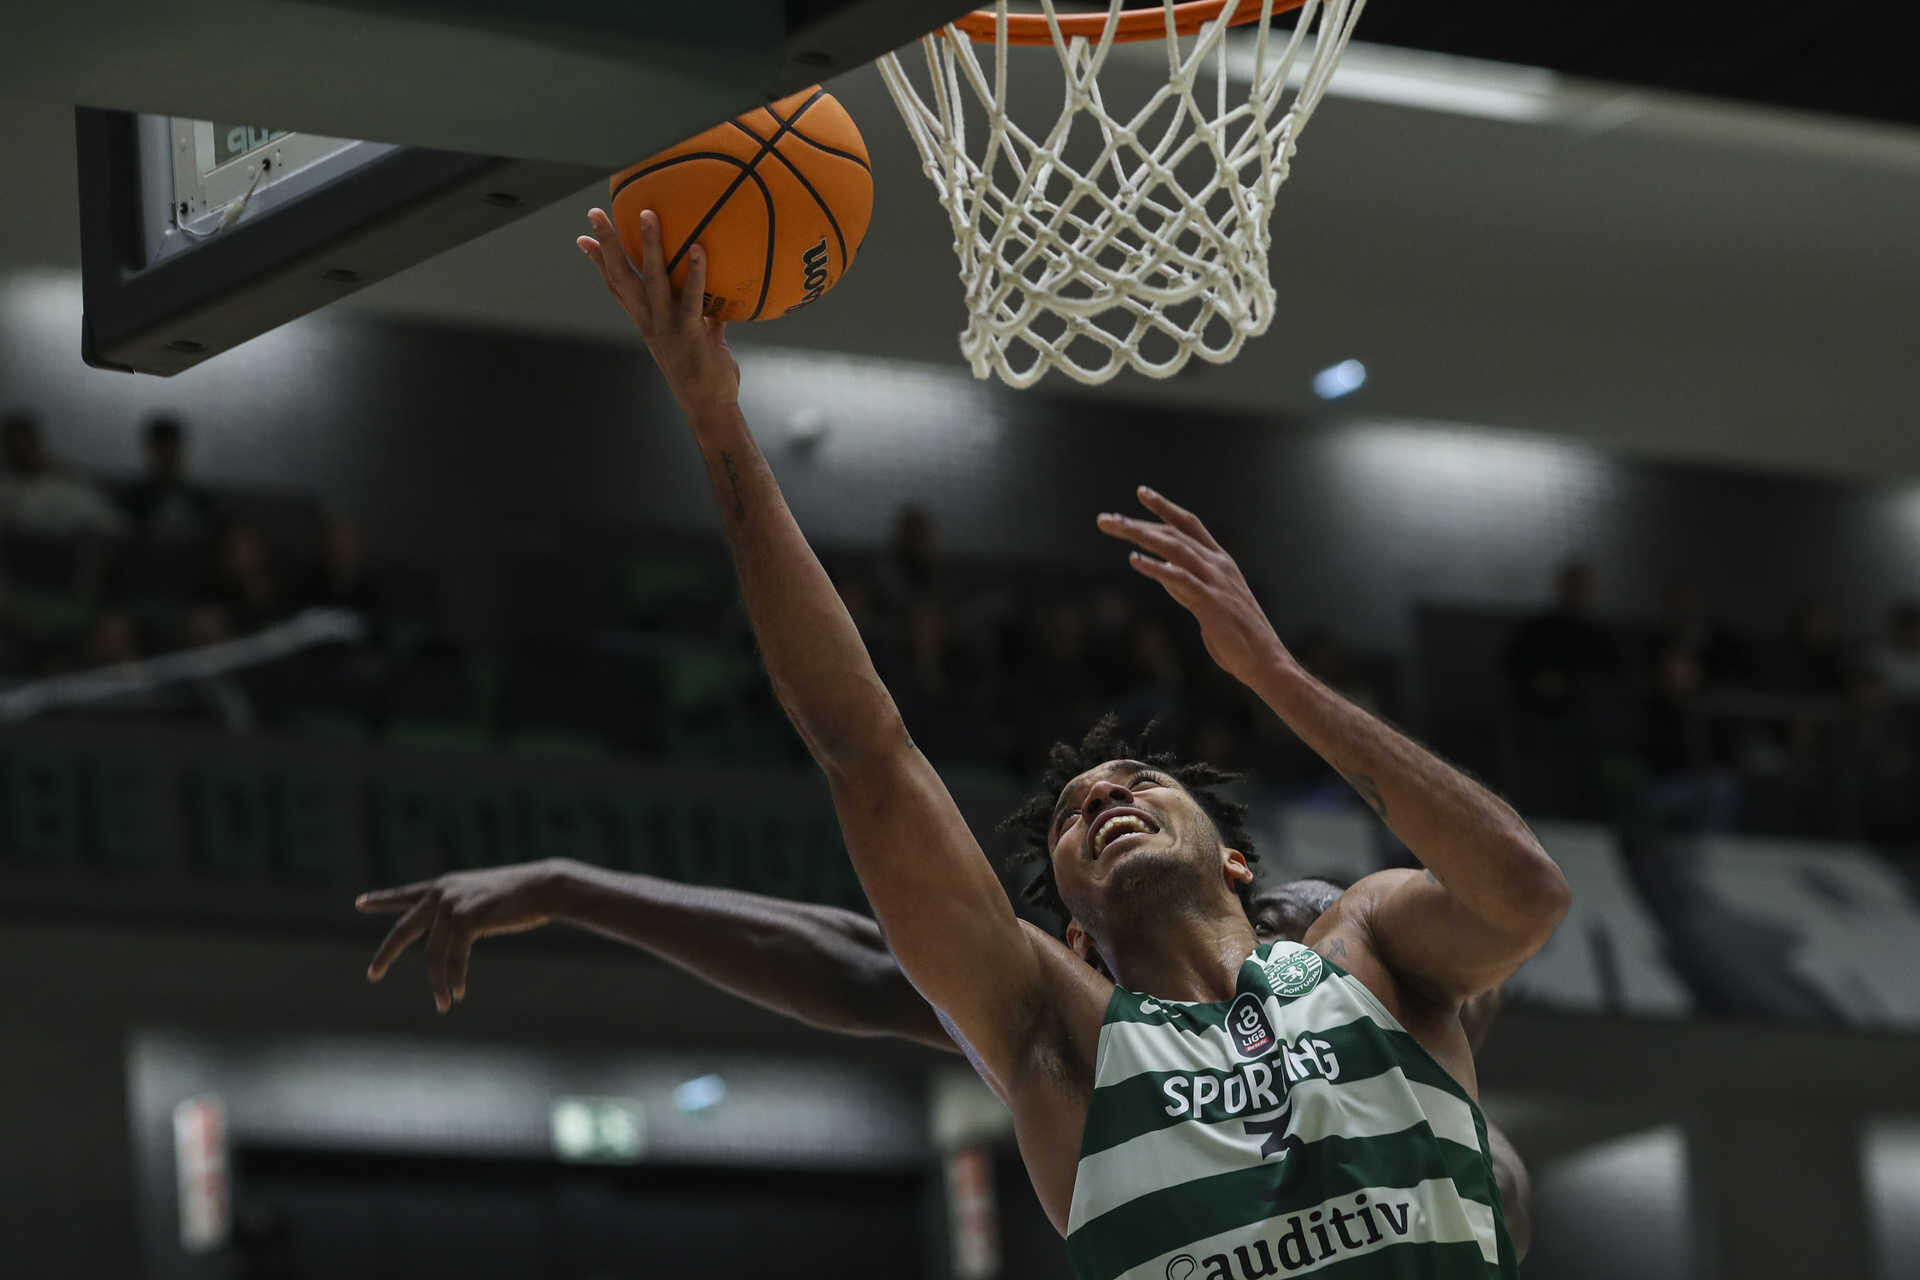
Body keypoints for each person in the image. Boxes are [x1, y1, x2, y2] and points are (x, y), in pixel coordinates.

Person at [557, 208, 1564, 1277]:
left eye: (1136, 780)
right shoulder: (1059, 1036)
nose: (1105, 799)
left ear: (1233, 855)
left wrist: (1274, 674)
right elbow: (864, 750)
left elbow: (1525, 894)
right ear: (1075, 935)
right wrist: (718, 425)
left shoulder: (1370, 947)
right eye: (1079, 814)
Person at [355, 864, 1531, 1261]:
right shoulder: (1096, 1039)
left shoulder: (1349, 940)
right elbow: (865, 959)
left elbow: (1503, 902)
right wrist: (574, 886)